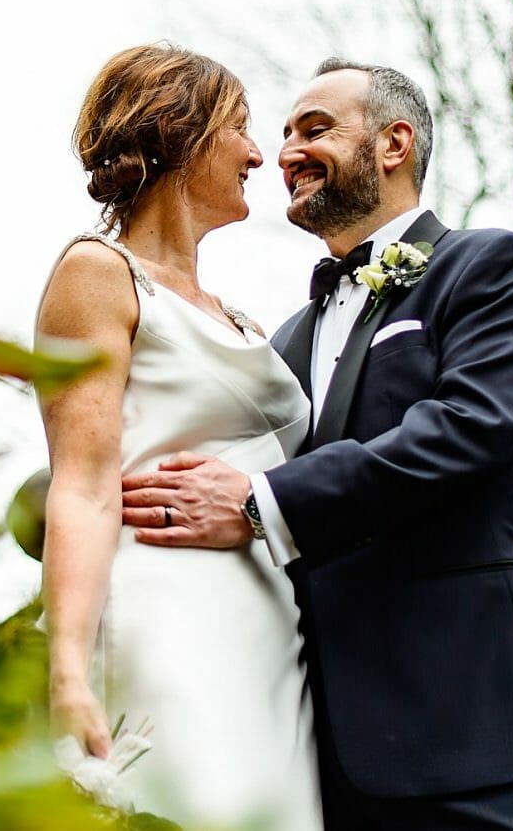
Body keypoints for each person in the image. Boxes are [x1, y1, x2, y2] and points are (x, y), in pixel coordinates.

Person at [119, 60, 513, 830]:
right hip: (332, 762)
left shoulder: (491, 269)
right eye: (281, 135)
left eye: (314, 129)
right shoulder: (286, 340)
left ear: (393, 143)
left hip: (482, 733)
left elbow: (467, 428)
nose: (285, 154)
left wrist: (258, 502)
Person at [38, 43, 322, 831]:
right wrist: (67, 668)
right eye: (240, 127)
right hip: (168, 624)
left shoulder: (247, 323)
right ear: (181, 133)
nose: (260, 154)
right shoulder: (97, 274)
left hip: (271, 641)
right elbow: (84, 484)